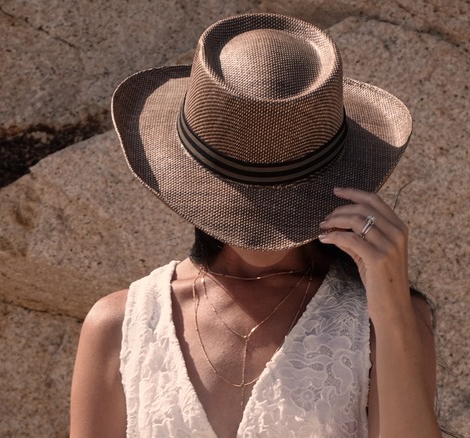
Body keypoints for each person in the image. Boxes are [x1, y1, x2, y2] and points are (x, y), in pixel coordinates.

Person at [70, 13, 440, 438]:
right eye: (247, 186)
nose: (265, 218)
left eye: (283, 185)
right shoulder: (119, 325)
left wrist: (390, 308)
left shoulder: (384, 319)